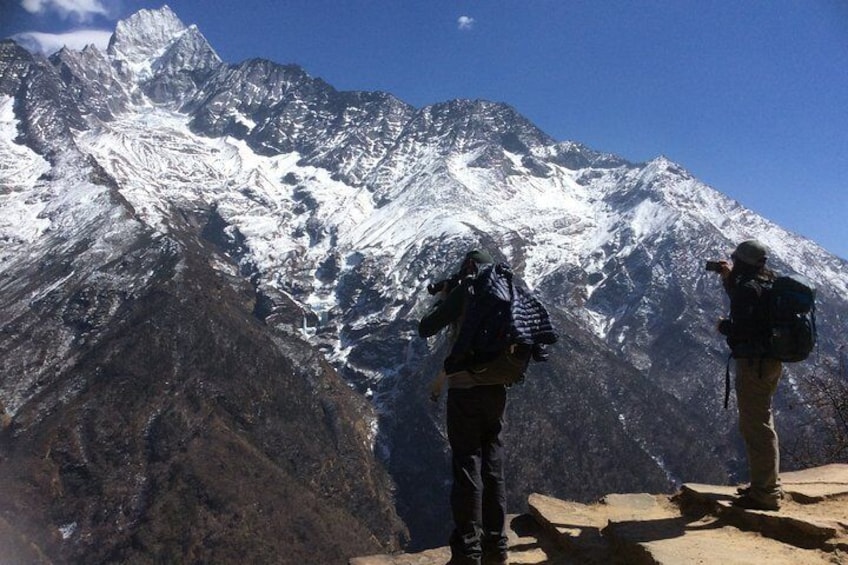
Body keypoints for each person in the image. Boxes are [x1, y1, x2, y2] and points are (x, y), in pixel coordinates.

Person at [418, 250, 512, 565]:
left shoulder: (466, 289)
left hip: (465, 391)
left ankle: (468, 549)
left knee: (466, 465)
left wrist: (446, 298)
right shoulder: (504, 288)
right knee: (493, 465)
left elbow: (426, 327)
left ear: (468, 268)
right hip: (497, 389)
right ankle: (497, 545)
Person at [714, 239, 783, 511]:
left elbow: (743, 328)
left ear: (742, 261)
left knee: (757, 425)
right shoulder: (768, 283)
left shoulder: (747, 289)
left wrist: (723, 327)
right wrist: (727, 277)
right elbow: (748, 302)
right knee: (762, 420)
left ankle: (766, 492)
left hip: (754, 363)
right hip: (770, 361)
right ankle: (764, 484)